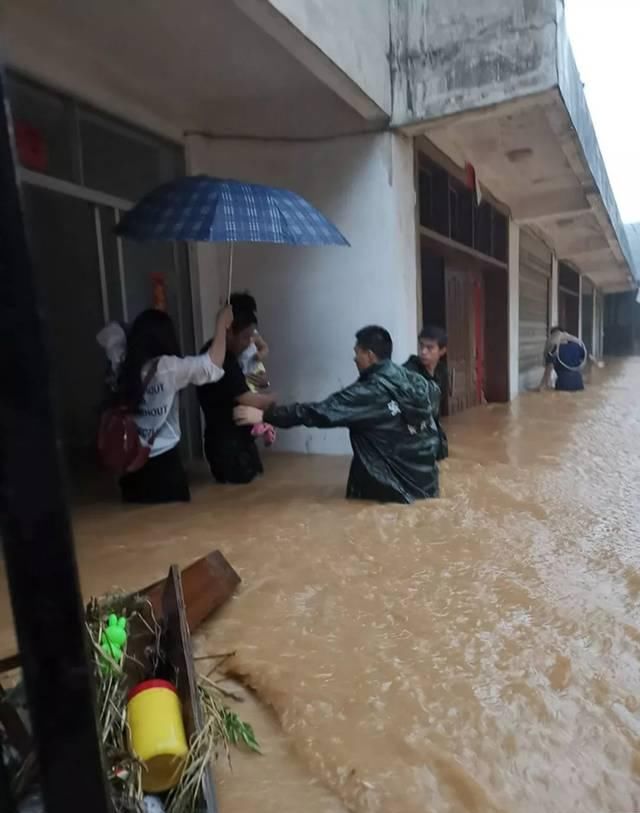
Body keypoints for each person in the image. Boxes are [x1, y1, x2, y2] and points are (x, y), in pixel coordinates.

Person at [234, 326, 441, 503]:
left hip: (390, 493)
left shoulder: (368, 391)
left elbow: (319, 412)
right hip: (425, 486)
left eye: (357, 352)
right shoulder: (416, 381)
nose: (354, 358)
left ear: (369, 355)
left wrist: (266, 416)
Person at [97, 305, 232, 504]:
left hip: (130, 469)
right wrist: (221, 325)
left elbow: (108, 332)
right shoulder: (166, 368)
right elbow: (211, 366)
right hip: (164, 470)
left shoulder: (121, 361)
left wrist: (134, 334)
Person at [198, 300, 275, 484]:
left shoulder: (221, 353)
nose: (248, 343)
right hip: (227, 447)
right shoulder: (224, 359)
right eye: (245, 337)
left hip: (236, 442)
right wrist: (274, 399)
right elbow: (247, 398)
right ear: (229, 331)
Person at [404, 326, 449, 461]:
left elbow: (438, 407)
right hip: (411, 433)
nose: (423, 352)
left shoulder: (442, 372)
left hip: (432, 428)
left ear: (442, 351)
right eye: (421, 346)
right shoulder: (408, 372)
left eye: (430, 348)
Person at [231, 292, 271, 393]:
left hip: (255, 370)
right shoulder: (227, 354)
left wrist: (260, 354)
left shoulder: (254, 334)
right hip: (245, 379)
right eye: (245, 336)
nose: (249, 341)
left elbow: (264, 347)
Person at [538, 326, 587, 392]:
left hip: (563, 385)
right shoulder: (577, 346)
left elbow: (548, 371)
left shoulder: (553, 349)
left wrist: (541, 387)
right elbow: (584, 360)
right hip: (579, 384)